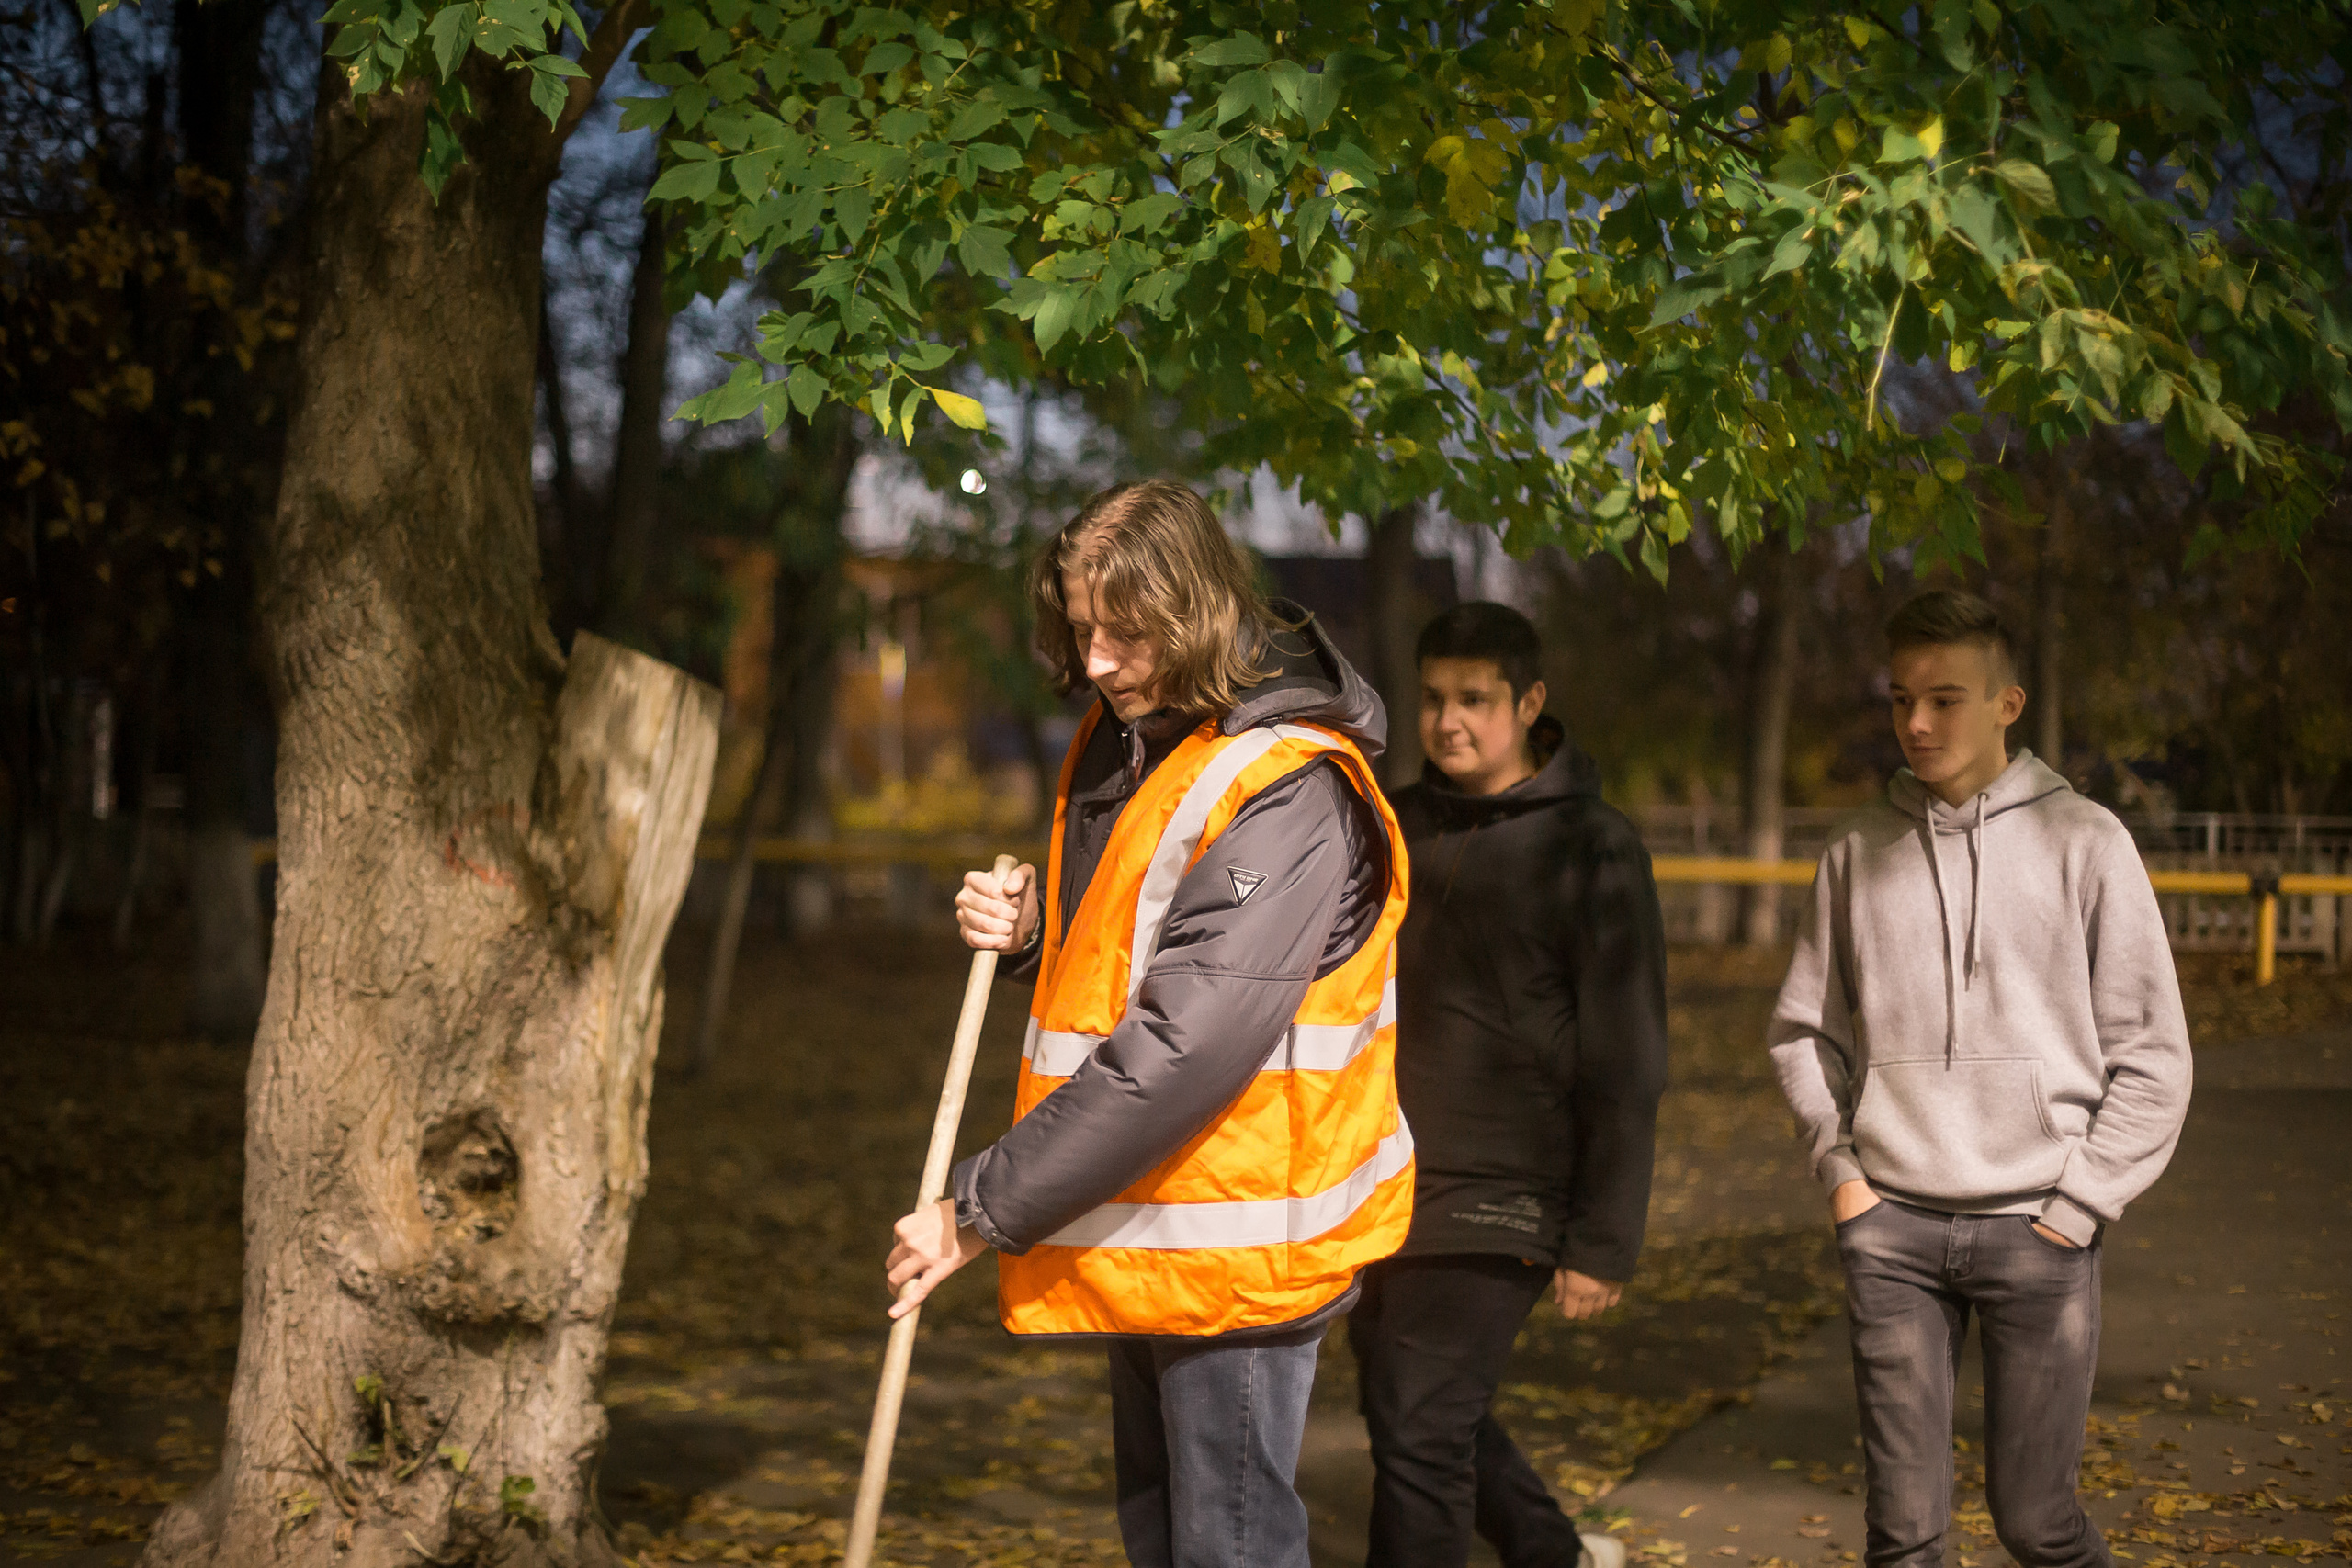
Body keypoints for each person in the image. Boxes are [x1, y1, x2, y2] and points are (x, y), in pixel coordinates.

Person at [884, 479, 1415, 1568]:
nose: (1094, 663)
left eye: (1123, 635)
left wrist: (976, 1209)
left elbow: (1181, 1046)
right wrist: (1037, 933)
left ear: (1196, 610)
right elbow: (1139, 950)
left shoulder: (1288, 786)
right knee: (1165, 1540)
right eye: (1082, 630)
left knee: (1227, 1550)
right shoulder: (1136, 737)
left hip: (1239, 1252)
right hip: (1150, 1222)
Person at [1769, 587, 2192, 1568]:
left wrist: (2079, 1203)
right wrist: (1841, 1170)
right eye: (1899, 699)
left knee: (2037, 1525)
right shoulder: (1856, 849)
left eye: (1943, 699)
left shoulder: (2086, 841)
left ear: (2007, 703)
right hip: (1892, 1233)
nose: (1915, 723)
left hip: (2039, 1230)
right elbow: (1801, 1032)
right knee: (1904, 1537)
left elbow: (2154, 1056)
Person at [1351, 601, 1669, 1568]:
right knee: (1410, 1403)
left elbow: (1627, 1056)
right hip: (1382, 1173)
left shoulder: (1593, 846)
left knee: (1419, 1421)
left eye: (1475, 700)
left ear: (1529, 703)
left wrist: (1603, 1239)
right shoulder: (1393, 823)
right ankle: (1553, 1554)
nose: (1448, 721)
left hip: (1510, 1184)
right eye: (1433, 698)